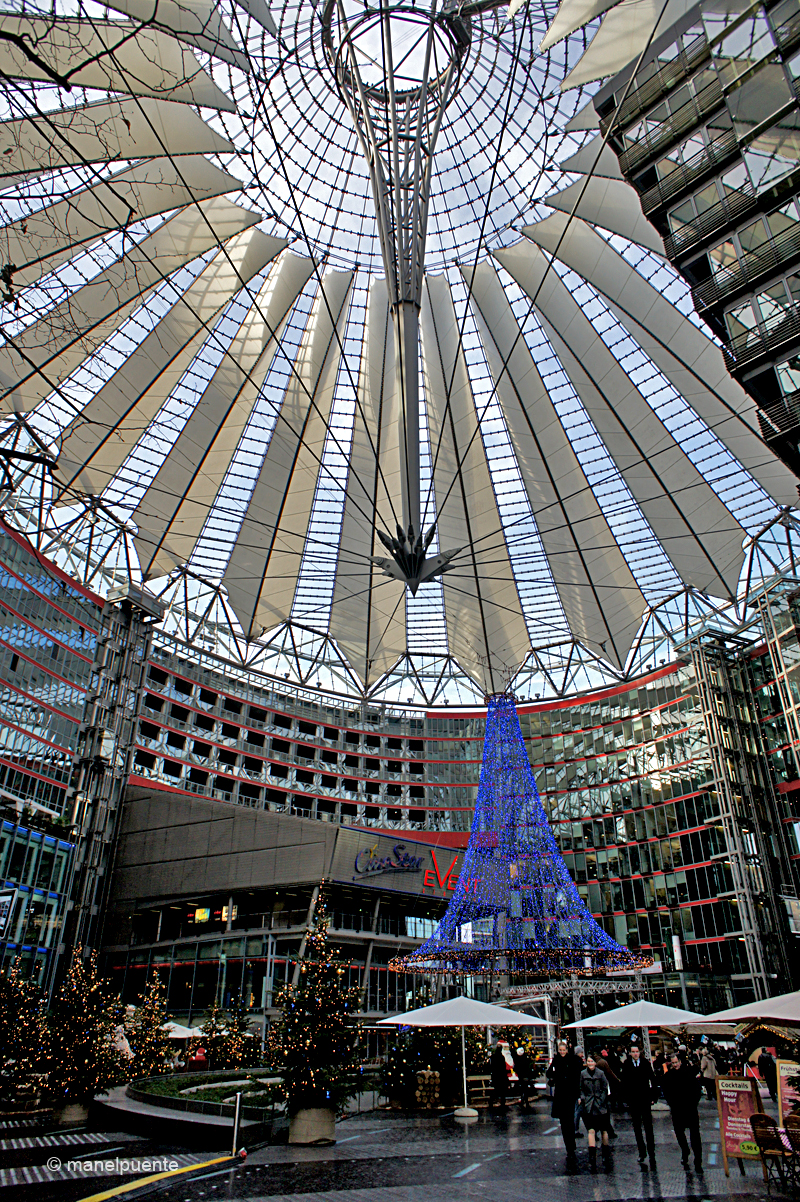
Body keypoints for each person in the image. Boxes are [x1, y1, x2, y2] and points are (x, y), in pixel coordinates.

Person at [661, 1051, 703, 1171]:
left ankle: (698, 1160)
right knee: (679, 1133)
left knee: (695, 1135)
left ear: (680, 1061)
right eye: (673, 1063)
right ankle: (685, 1150)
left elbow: (697, 1090)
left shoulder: (689, 1073)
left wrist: (694, 1103)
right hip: (677, 1109)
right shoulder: (668, 1076)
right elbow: (666, 1090)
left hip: (690, 1108)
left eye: (676, 1062)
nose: (675, 1065)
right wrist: (671, 1103)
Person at [620, 1043, 657, 1167]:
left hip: (645, 1098)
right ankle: (642, 1152)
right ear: (630, 1053)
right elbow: (624, 1082)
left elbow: (652, 1079)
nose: (635, 1054)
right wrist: (626, 1098)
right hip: (633, 1100)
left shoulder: (645, 1063)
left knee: (648, 1126)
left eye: (637, 1051)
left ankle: (651, 1152)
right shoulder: (627, 1064)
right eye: (633, 1052)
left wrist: (653, 1097)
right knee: (637, 1127)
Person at [546, 1040, 582, 1162]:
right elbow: (549, 1072)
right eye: (560, 1050)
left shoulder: (572, 1060)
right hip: (560, 1094)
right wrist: (554, 1076)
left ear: (567, 1050)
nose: (562, 1052)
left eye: (563, 1050)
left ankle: (571, 1146)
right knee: (564, 1122)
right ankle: (569, 1147)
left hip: (569, 1093)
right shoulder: (556, 1060)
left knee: (569, 1121)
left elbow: (576, 1077)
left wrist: (577, 1095)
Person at [580, 1054, 612, 1169]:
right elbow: (581, 1088)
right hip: (589, 1106)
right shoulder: (583, 1074)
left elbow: (605, 1087)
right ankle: (592, 1157)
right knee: (591, 1130)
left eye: (592, 1061)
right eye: (588, 1061)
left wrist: (602, 1099)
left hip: (601, 1106)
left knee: (604, 1130)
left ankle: (605, 1154)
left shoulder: (601, 1073)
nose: (590, 1064)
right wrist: (583, 1098)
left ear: (595, 1062)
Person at [512, 1045, 533, 1111]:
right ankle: (525, 1102)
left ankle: (524, 1101)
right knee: (525, 1089)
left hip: (521, 1076)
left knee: (523, 1089)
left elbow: (516, 1068)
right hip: (525, 1075)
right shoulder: (525, 1059)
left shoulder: (517, 1059)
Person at [490, 1042, 508, 1111]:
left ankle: (491, 1102)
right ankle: (502, 1104)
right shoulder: (501, 1057)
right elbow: (503, 1068)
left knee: (496, 1090)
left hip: (495, 1076)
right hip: (501, 1076)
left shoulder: (493, 1057)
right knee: (502, 1091)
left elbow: (491, 1066)